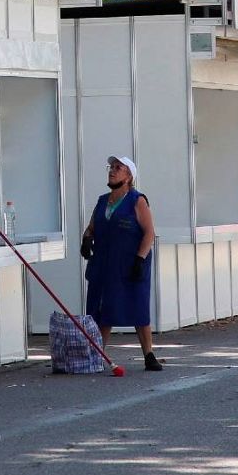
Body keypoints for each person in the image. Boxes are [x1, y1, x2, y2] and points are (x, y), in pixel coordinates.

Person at [80, 155, 161, 371]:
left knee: (138, 305)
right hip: (104, 263)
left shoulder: (137, 200)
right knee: (102, 307)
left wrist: (139, 259)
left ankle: (149, 354)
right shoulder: (102, 201)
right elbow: (92, 227)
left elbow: (149, 233)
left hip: (130, 262)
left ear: (128, 176)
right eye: (111, 167)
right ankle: (98, 354)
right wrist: (87, 239)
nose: (112, 171)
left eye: (118, 168)